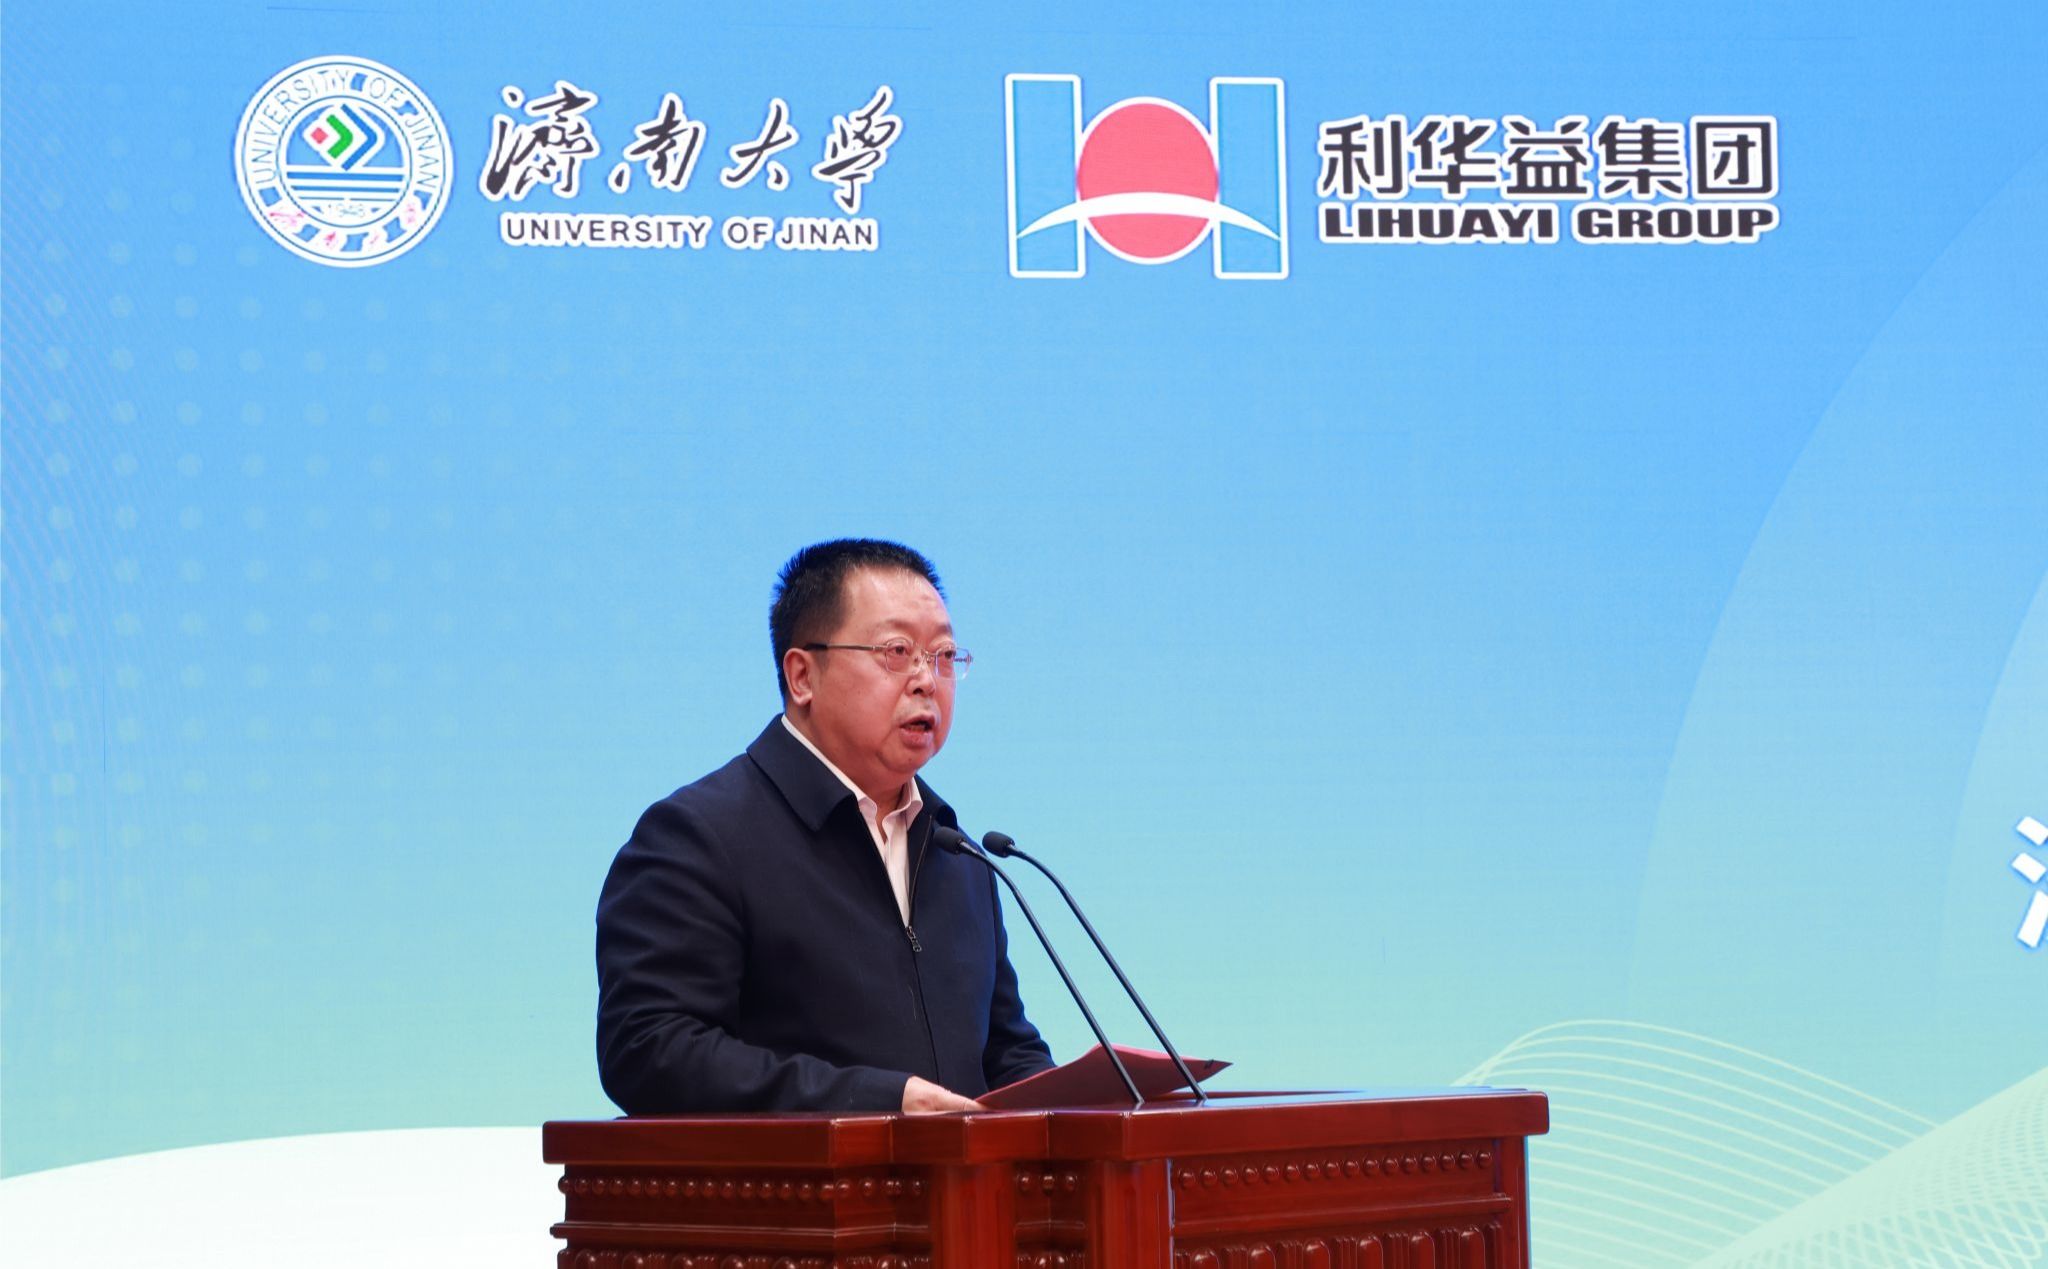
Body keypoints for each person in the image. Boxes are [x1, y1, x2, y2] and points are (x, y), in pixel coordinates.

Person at [595, 539, 1053, 1114]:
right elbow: (648, 1050)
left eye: (943, 655)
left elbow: (1005, 1053)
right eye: (896, 652)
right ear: (802, 676)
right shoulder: (697, 838)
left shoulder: (956, 852)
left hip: (960, 1178)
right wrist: (880, 1101)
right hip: (800, 1177)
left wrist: (1083, 1103)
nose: (926, 680)